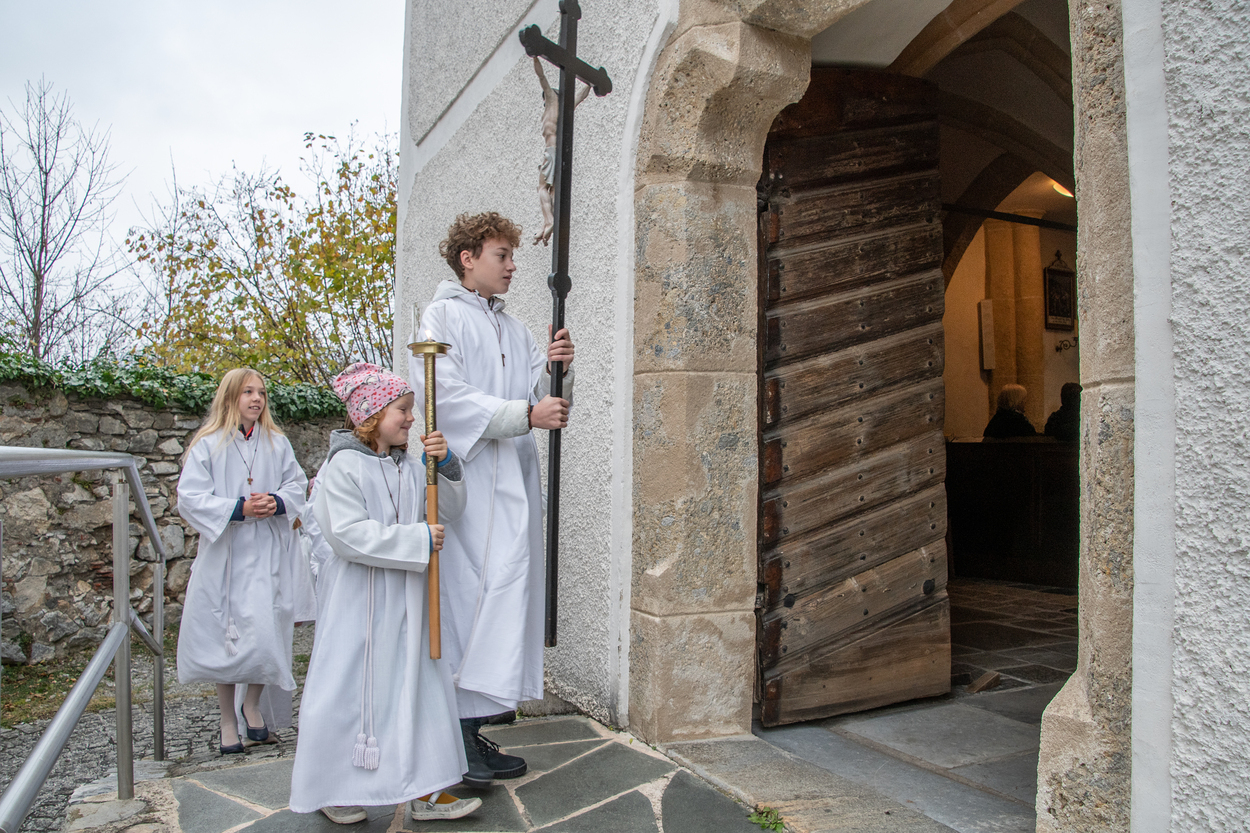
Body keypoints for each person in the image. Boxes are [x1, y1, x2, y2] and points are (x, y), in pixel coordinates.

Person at [415, 211, 574, 787]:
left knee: (506, 593)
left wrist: (558, 370)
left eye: (512, 256)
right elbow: (444, 396)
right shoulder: (441, 317)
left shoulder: (515, 329)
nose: (511, 267)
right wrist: (524, 415)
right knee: (467, 599)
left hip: (514, 484)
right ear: (469, 258)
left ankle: (474, 726)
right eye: (501, 256)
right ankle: (455, 737)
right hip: (472, 483)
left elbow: (544, 394)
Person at [289, 363, 480, 824]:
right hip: (358, 603)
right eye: (403, 409)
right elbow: (346, 535)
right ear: (371, 415)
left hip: (409, 603)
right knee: (347, 690)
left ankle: (425, 788)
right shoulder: (342, 467)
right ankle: (335, 789)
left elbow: (448, 510)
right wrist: (417, 540)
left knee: (417, 690)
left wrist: (445, 464)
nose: (412, 418)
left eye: (412, 409)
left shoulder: (410, 467)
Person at [176, 368, 309, 755]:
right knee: (227, 638)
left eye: (261, 392)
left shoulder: (277, 443)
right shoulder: (209, 445)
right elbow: (190, 497)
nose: (256, 399)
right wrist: (238, 508)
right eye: (248, 392)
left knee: (267, 631)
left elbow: (297, 485)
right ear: (231, 396)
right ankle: (227, 721)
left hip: (266, 551)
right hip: (227, 553)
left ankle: (252, 706)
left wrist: (276, 502)